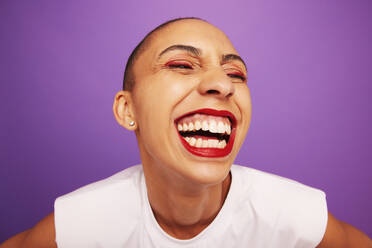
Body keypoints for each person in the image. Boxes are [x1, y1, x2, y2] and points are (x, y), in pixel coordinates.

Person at [1, 17, 371, 248]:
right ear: (127, 110)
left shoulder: (291, 213)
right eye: (181, 64)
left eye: (236, 74)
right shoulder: (80, 224)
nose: (221, 84)